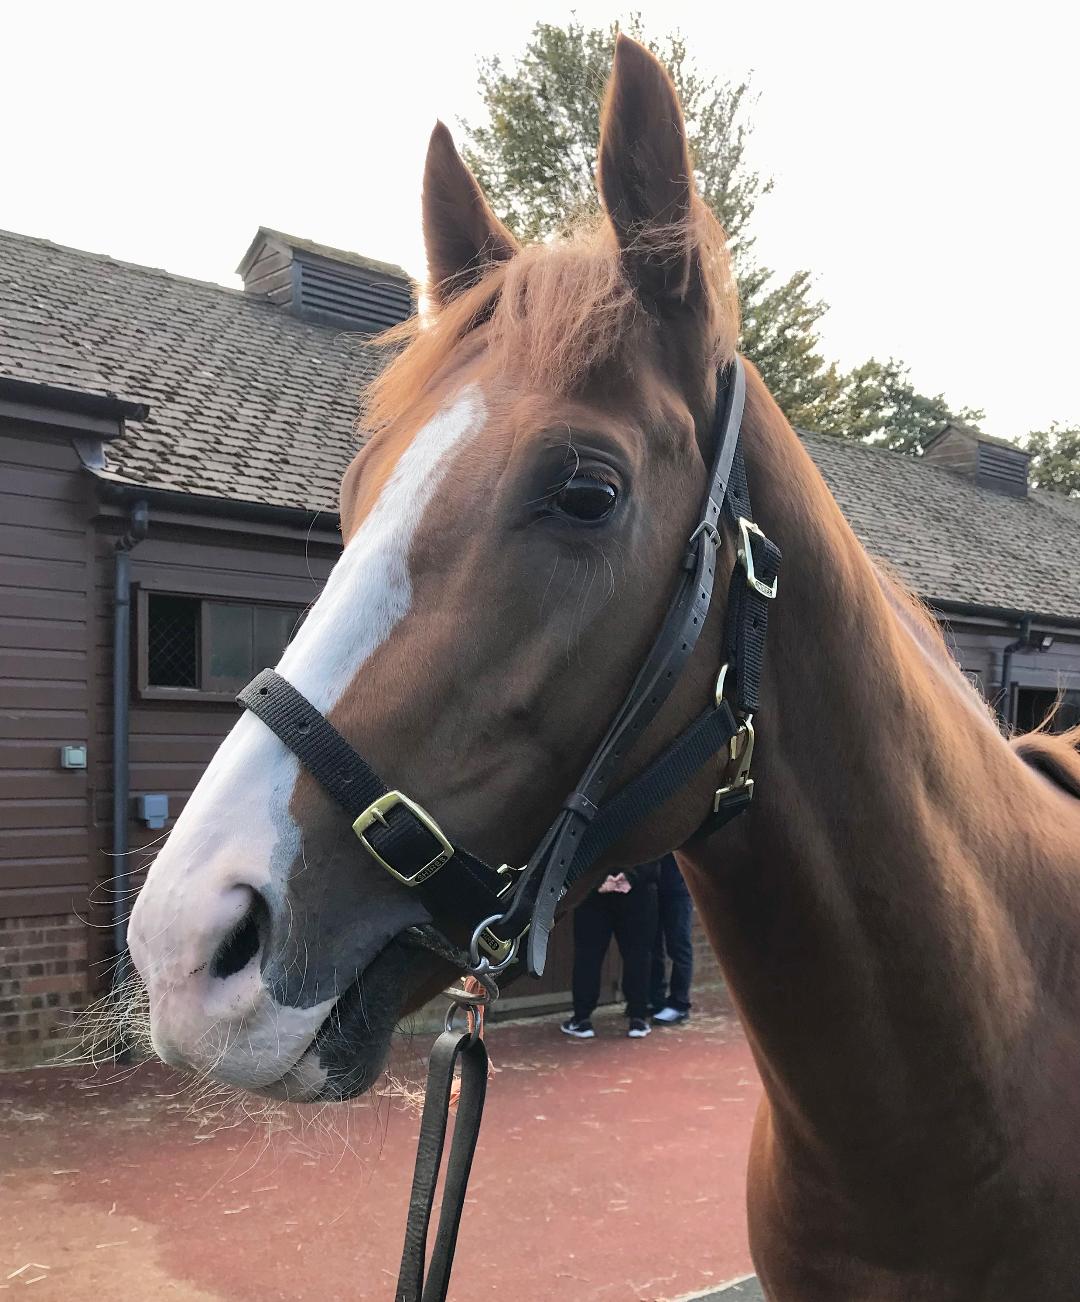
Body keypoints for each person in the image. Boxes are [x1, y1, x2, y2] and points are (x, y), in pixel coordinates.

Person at [560, 861, 659, 1039]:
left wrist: (599, 879)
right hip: (638, 895)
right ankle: (638, 1017)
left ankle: (582, 1019)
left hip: (594, 895)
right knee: (638, 956)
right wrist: (631, 877)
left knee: (588, 956)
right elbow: (657, 851)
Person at [649, 853, 694, 1024]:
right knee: (654, 946)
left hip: (678, 892)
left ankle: (679, 1004)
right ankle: (656, 998)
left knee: (679, 946)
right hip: (655, 889)